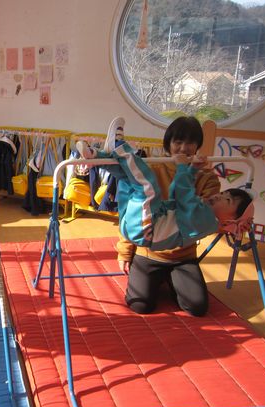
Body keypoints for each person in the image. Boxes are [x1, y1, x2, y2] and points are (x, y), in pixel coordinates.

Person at [77, 116, 226, 316]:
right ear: (168, 144)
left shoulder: (207, 177)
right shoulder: (152, 167)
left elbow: (201, 213)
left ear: (197, 145)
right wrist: (125, 251)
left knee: (196, 307)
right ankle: (103, 153)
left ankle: (112, 148)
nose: (183, 148)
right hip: (149, 251)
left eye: (190, 143)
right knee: (140, 305)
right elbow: (132, 213)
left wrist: (234, 222)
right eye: (178, 142)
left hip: (182, 256)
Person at [76, 121, 253, 252]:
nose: (219, 196)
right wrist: (190, 170)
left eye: (227, 200)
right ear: (168, 145)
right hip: (137, 228)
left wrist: (185, 168)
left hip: (147, 232)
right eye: (178, 142)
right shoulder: (158, 167)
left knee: (148, 188)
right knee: (129, 180)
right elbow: (177, 194)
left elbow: (184, 196)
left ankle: (119, 145)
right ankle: (97, 157)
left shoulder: (207, 219)